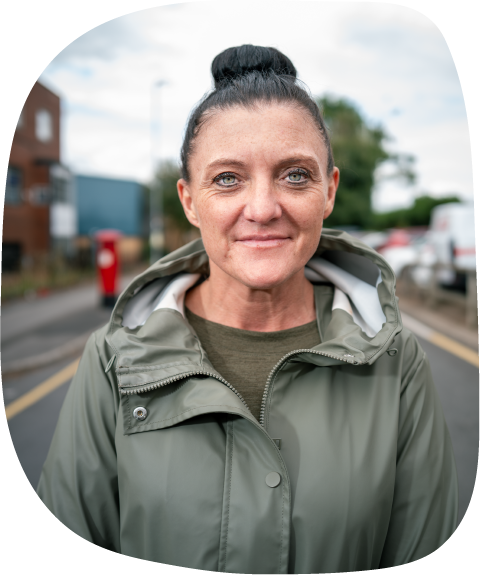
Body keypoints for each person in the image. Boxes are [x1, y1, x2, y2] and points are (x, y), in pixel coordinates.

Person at [37, 45, 458, 574]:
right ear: (190, 200)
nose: (262, 209)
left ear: (328, 192)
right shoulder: (112, 360)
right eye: (228, 178)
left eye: (296, 175)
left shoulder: (397, 362)